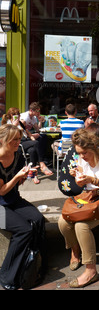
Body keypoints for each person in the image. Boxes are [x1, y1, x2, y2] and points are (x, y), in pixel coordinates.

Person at [58, 128, 99, 288]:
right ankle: (75, 250)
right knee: (63, 222)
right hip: (88, 197)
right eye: (79, 153)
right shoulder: (81, 158)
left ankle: (90, 270)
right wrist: (77, 177)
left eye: (84, 152)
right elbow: (81, 181)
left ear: (93, 147)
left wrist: (91, 179)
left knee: (81, 225)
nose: (82, 156)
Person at [0, 124, 46, 290]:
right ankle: (7, 275)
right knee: (24, 230)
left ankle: (34, 264)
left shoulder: (17, 154)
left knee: (38, 219)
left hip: (14, 199)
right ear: (2, 140)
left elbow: (16, 184)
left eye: (19, 139)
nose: (17, 142)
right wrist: (17, 177)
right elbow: (2, 191)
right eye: (13, 140)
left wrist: (24, 176)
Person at [2, 107, 40, 184]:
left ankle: (32, 173)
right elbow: (9, 137)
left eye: (18, 114)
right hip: (19, 143)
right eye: (15, 115)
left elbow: (27, 131)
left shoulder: (21, 123)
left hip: (25, 141)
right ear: (11, 115)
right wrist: (14, 125)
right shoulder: (8, 125)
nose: (18, 116)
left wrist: (32, 136)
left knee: (32, 150)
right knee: (36, 143)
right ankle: (42, 163)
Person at [20, 102, 53, 176]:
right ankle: (41, 162)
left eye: (39, 111)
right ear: (31, 110)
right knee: (36, 143)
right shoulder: (25, 117)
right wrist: (31, 136)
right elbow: (21, 129)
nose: (38, 112)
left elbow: (37, 129)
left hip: (28, 138)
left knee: (43, 137)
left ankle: (35, 171)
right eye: (37, 111)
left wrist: (40, 121)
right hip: (22, 139)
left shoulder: (33, 118)